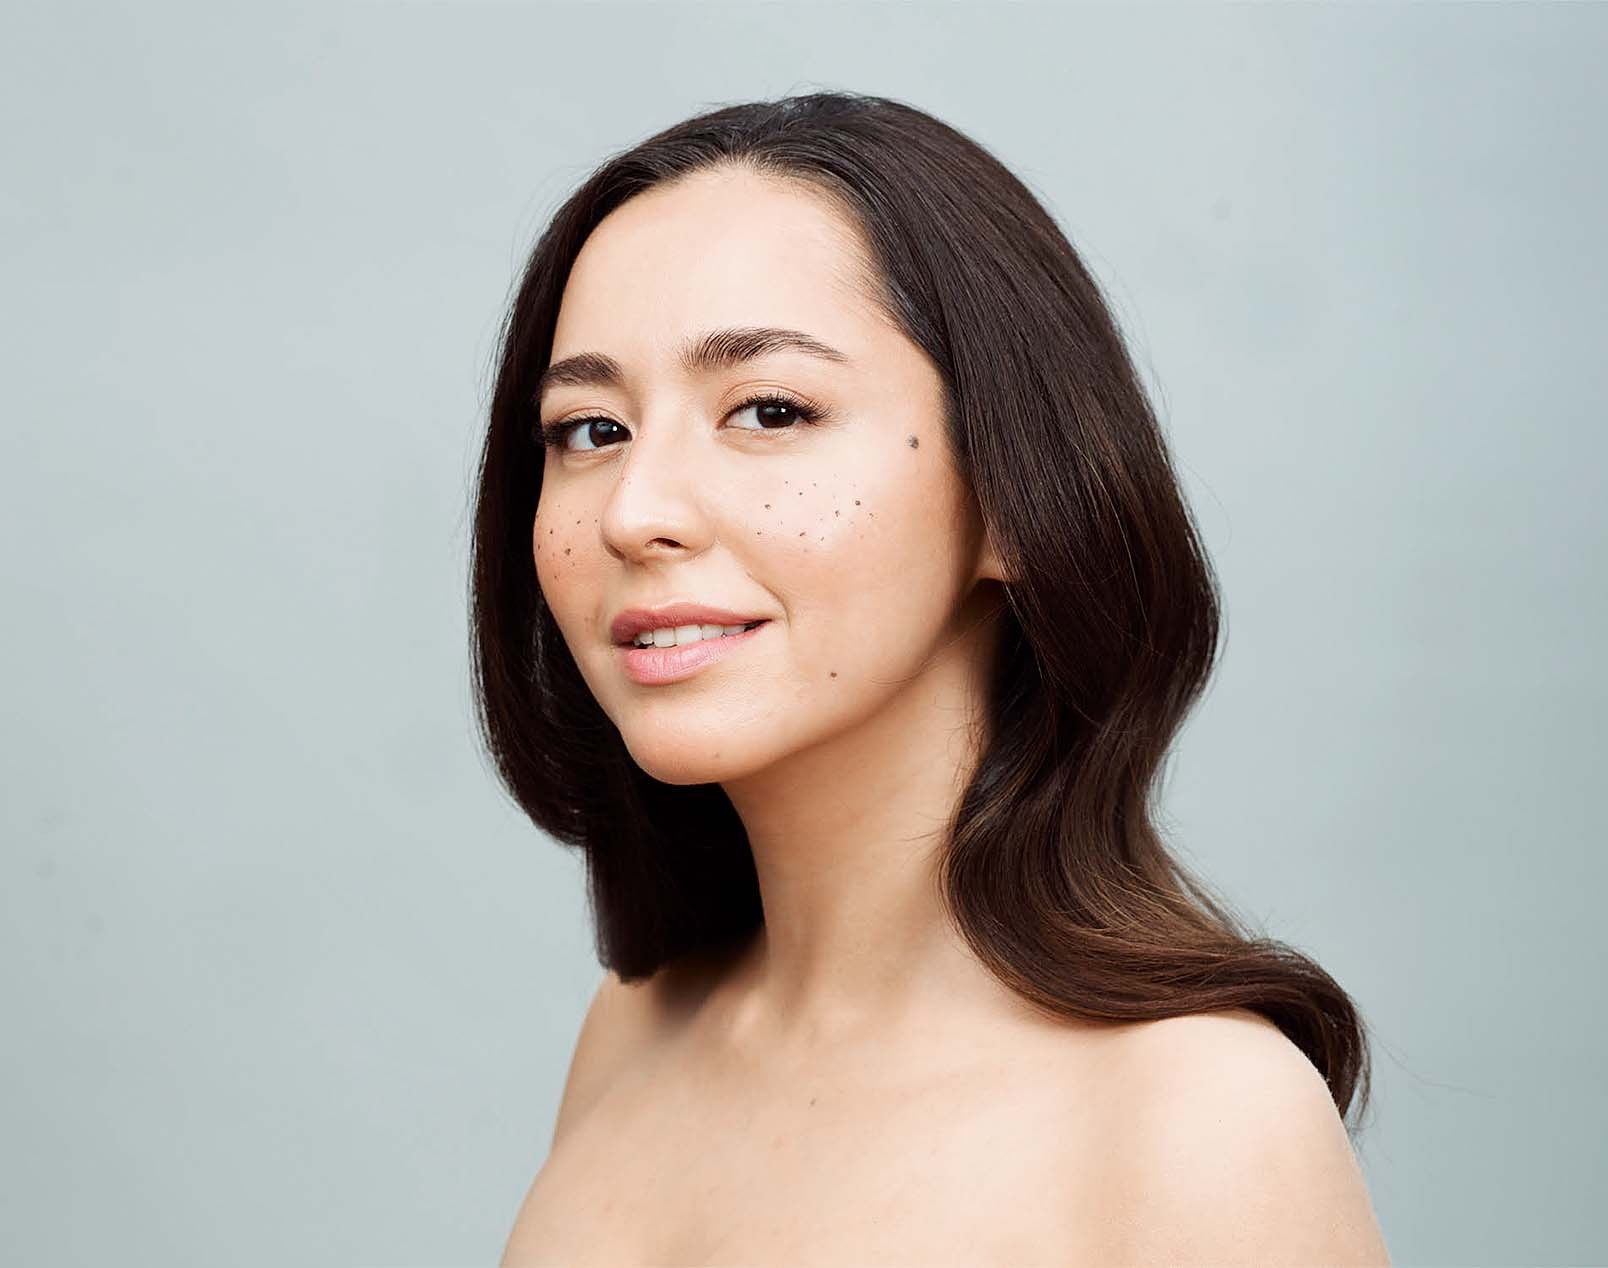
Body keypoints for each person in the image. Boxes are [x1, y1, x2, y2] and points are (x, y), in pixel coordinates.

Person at [474, 91, 1391, 1265]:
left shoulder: (1197, 1116)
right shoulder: (634, 1031)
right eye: (590, 429)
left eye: (769, 409)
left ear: (1016, 496)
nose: (634, 510)